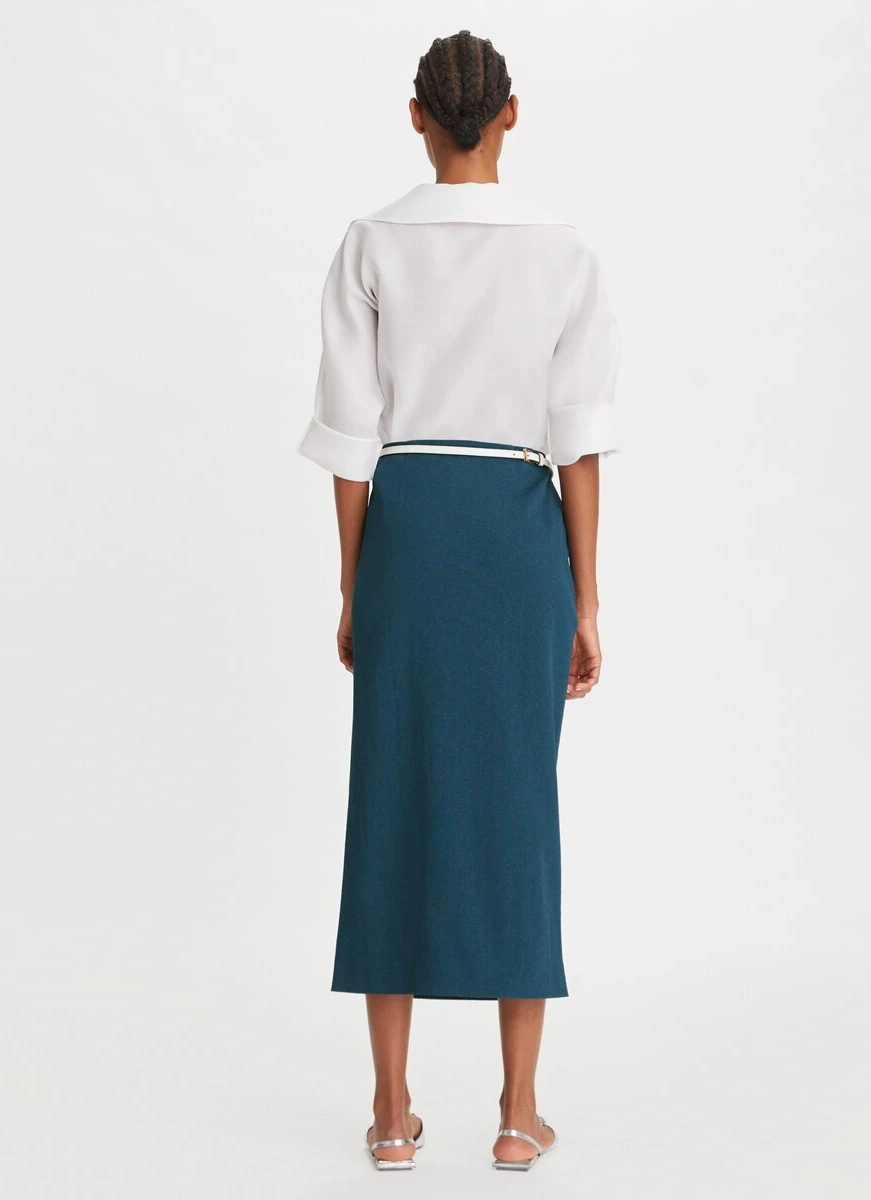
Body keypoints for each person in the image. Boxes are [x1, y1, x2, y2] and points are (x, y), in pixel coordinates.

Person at [296, 29, 620, 1173]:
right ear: (511, 114)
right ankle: (519, 1115)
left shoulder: (370, 242)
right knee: (519, 808)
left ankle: (392, 1113)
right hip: (519, 534)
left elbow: (350, 441)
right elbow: (579, 441)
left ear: (417, 116)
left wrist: (356, 583)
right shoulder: (565, 251)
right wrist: (586, 599)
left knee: (389, 798)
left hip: (410, 527)